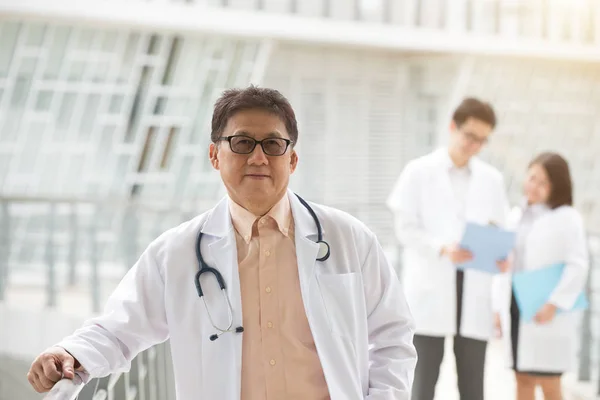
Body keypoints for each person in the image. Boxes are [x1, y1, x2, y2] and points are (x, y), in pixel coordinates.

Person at [27, 86, 417, 400]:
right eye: (242, 143)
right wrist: (70, 354)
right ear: (215, 155)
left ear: (292, 159)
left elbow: (393, 337)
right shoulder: (176, 253)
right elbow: (118, 329)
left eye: (273, 145)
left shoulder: (350, 239)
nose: (259, 157)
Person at [386, 97, 510, 400]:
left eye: (482, 140)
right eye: (470, 136)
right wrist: (441, 248)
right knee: (423, 385)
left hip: (474, 290)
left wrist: (499, 255)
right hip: (431, 287)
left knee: (472, 387)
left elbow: (501, 229)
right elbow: (405, 228)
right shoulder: (419, 171)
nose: (474, 145)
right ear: (453, 127)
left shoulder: (492, 180)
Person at [496, 152, 589, 400]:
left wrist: (554, 303)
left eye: (543, 182)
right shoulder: (516, 215)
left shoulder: (568, 218)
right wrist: (497, 308)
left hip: (547, 309)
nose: (534, 186)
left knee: (549, 381)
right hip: (515, 306)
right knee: (522, 378)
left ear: (556, 187)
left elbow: (578, 265)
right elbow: (505, 264)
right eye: (532, 178)